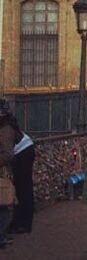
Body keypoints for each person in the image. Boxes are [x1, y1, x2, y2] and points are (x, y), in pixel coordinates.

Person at [0, 99, 35, 238]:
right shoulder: (7, 125)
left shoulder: (5, 129)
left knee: (23, 188)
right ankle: (23, 222)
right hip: (25, 150)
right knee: (23, 187)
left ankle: (23, 223)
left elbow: (7, 154)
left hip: (22, 154)